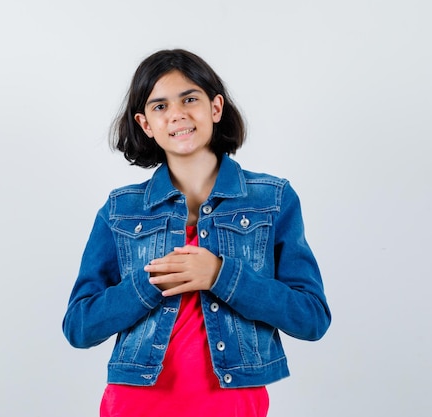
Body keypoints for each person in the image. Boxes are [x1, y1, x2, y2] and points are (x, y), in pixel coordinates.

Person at [62, 49, 331, 416]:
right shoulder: (120, 209)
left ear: (215, 108)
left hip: (233, 405)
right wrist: (148, 283)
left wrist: (221, 276)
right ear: (145, 125)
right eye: (160, 107)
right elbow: (80, 327)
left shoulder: (273, 199)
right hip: (134, 405)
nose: (177, 114)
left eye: (190, 99)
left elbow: (311, 317)